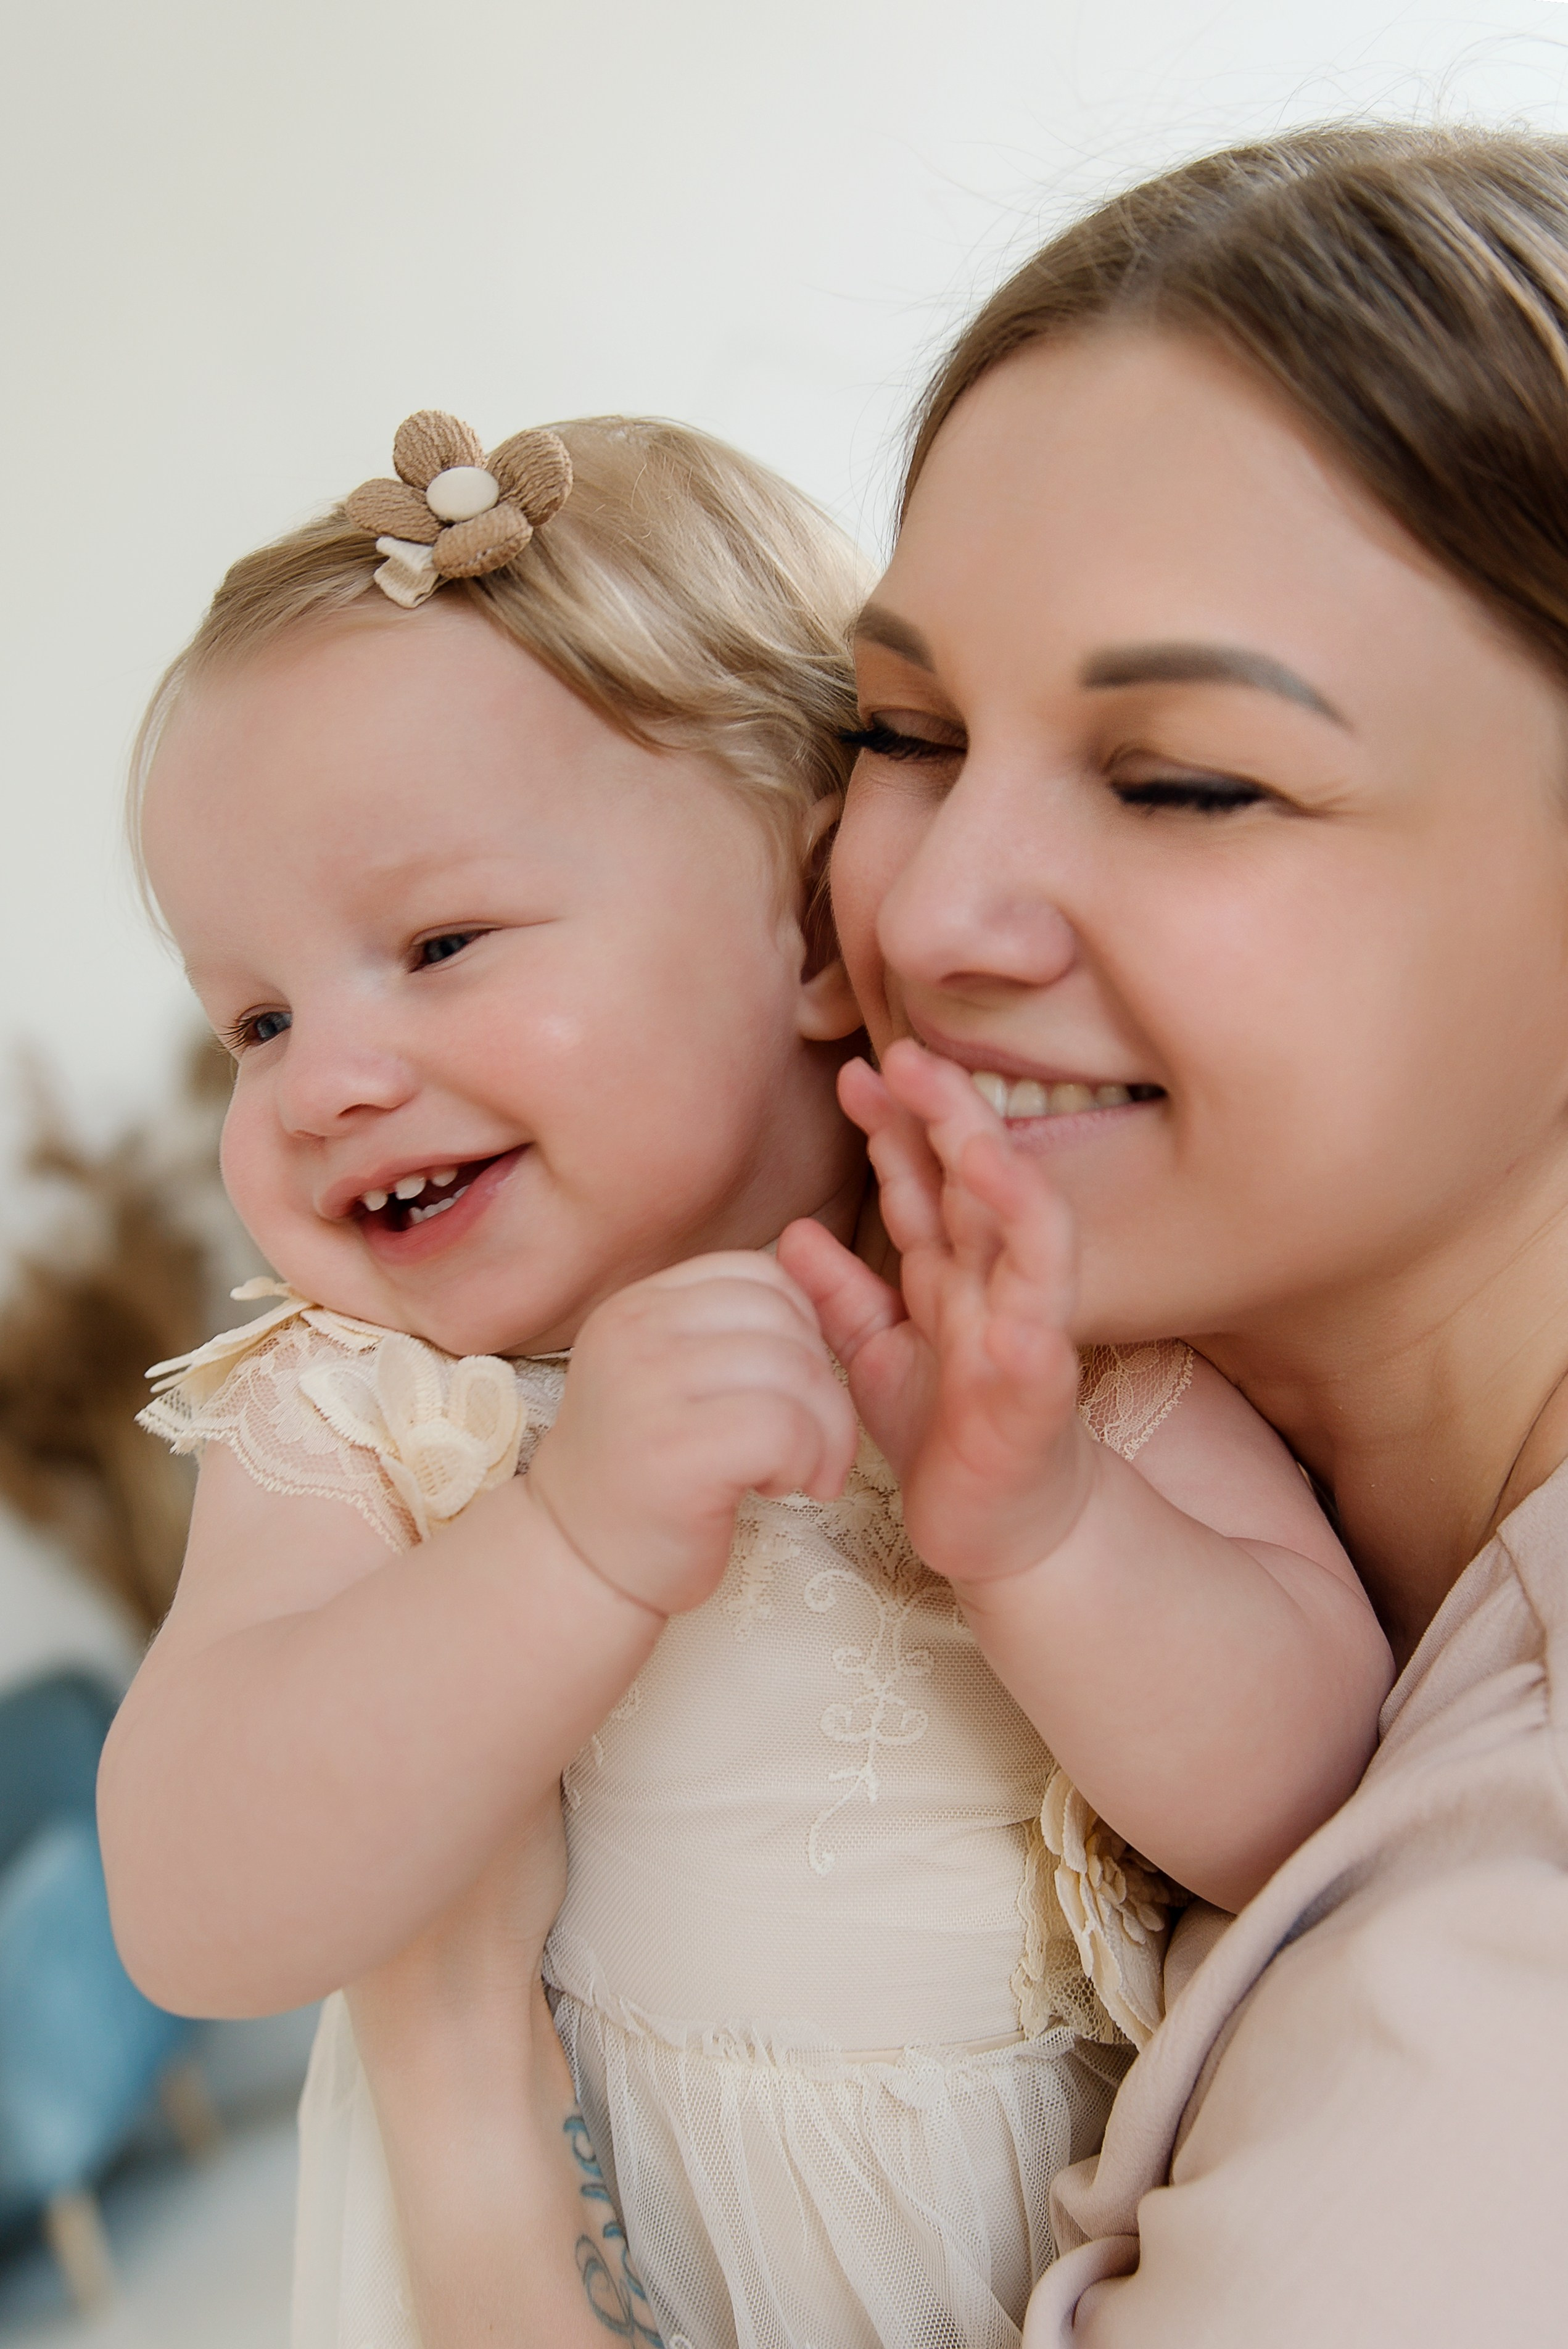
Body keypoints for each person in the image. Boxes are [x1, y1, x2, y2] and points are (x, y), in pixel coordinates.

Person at [433, 118, 1568, 2348]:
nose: (926, 913)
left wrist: (460, 2094)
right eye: (908, 731)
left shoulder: (1495, 2013)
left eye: (1185, 781)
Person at [94, 406, 1384, 2349]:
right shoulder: (371, 1413)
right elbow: (199, 1913)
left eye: (438, 943)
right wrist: (569, 1539)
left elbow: (1312, 1806)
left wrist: (1041, 1525)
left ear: (811, 930)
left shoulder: (1022, 1327)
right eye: (256, 1019)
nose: (324, 1082)